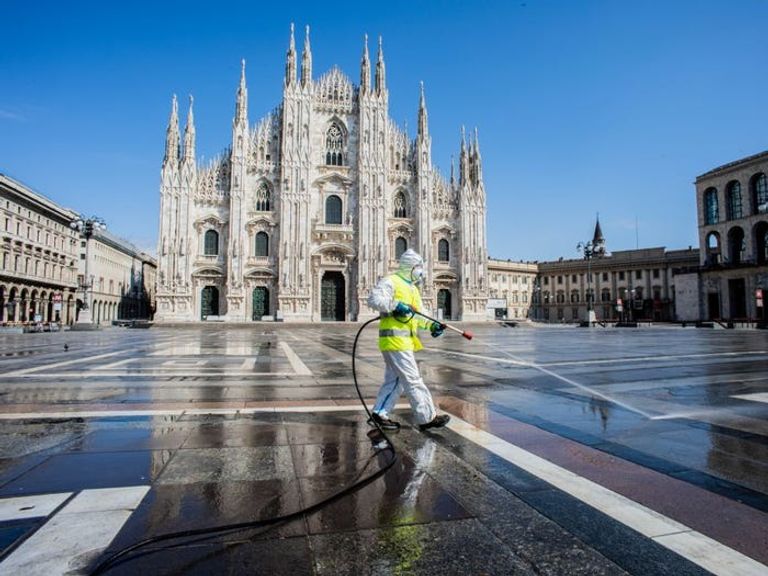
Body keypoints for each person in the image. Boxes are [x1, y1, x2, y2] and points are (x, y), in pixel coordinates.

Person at [366, 249, 451, 431]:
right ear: (410, 267)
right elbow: (374, 299)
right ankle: (427, 417)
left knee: (395, 381)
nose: (420, 271)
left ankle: (379, 414)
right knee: (413, 379)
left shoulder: (412, 288)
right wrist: (395, 305)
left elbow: (419, 314)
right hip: (395, 341)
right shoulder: (391, 281)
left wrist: (433, 325)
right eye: (418, 267)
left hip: (401, 342)